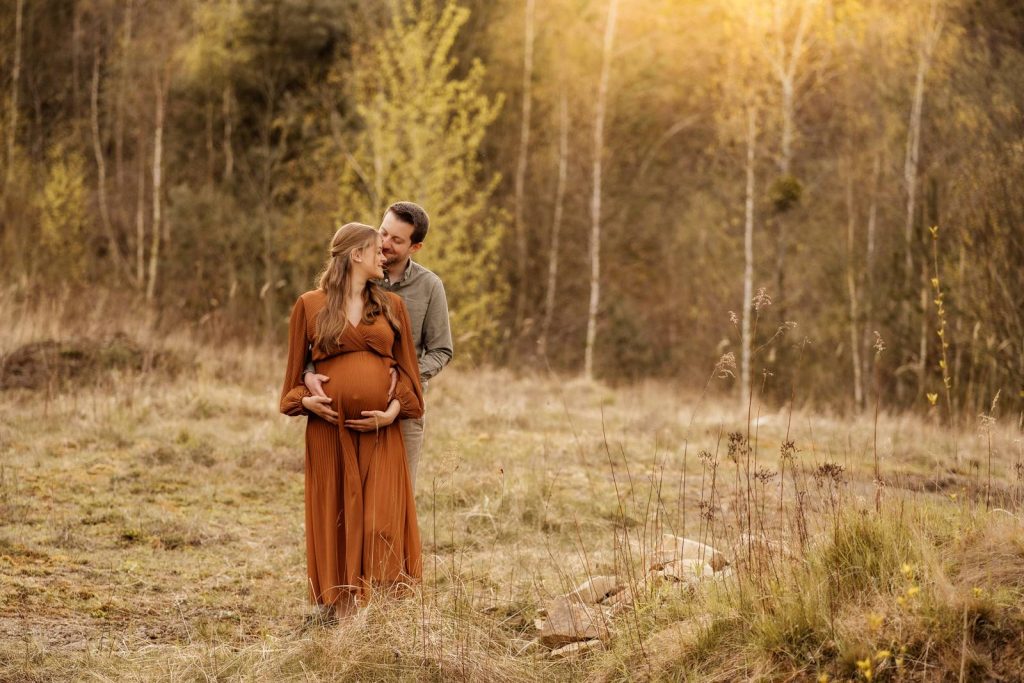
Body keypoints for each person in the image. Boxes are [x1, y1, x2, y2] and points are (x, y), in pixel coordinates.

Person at [280, 223, 424, 621]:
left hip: (382, 433)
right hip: (330, 433)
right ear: (355, 255)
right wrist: (309, 401)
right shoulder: (309, 305)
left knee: (383, 521)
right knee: (338, 520)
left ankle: (383, 618)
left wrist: (393, 410)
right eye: (376, 250)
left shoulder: (393, 308)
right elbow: (290, 386)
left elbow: (411, 377)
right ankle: (344, 622)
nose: (384, 256)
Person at [302, 202, 452, 488]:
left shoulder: (429, 287)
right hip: (342, 415)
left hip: (402, 411)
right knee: (346, 498)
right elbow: (314, 337)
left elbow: (441, 350)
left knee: (394, 500)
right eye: (383, 232)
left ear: (415, 247)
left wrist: (404, 373)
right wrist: (308, 374)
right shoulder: (357, 274)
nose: (384, 243)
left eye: (396, 240)